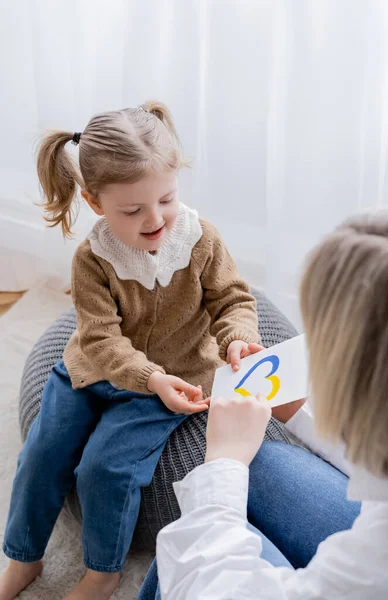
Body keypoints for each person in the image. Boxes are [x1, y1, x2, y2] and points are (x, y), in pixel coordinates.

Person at [0, 101, 264, 600]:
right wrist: (144, 375)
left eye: (166, 199)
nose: (155, 218)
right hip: (92, 369)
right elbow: (98, 337)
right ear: (96, 203)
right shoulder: (93, 258)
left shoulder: (200, 239)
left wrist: (236, 339)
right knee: (40, 453)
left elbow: (233, 300)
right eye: (132, 210)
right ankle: (23, 557)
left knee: (104, 468)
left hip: (170, 379)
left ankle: (103, 573)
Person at [149, 213, 388, 599]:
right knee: (262, 464)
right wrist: (299, 414)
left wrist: (222, 462)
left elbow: (213, 587)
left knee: (192, 543)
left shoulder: (382, 563)